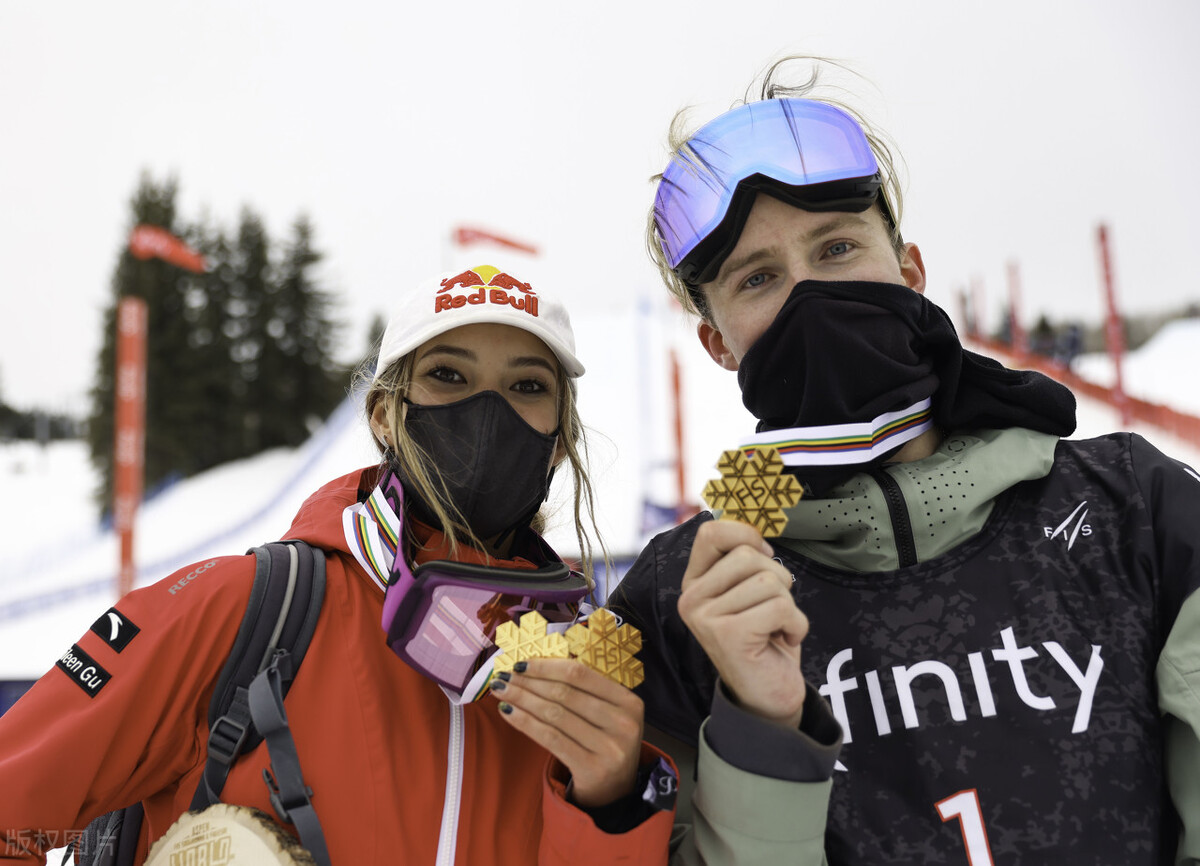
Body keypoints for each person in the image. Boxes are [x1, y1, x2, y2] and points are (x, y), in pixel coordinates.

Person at [611, 58, 1200, 864]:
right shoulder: (682, 597)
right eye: (759, 278)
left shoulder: (1134, 506)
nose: (811, 296)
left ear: (910, 272)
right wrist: (761, 730)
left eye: (837, 247)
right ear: (717, 342)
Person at [0, 264, 679, 865]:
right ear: (384, 414)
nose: (488, 412)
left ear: (558, 440)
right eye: (448, 375)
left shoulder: (579, 675)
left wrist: (610, 805)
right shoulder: (244, 608)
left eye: (527, 385)